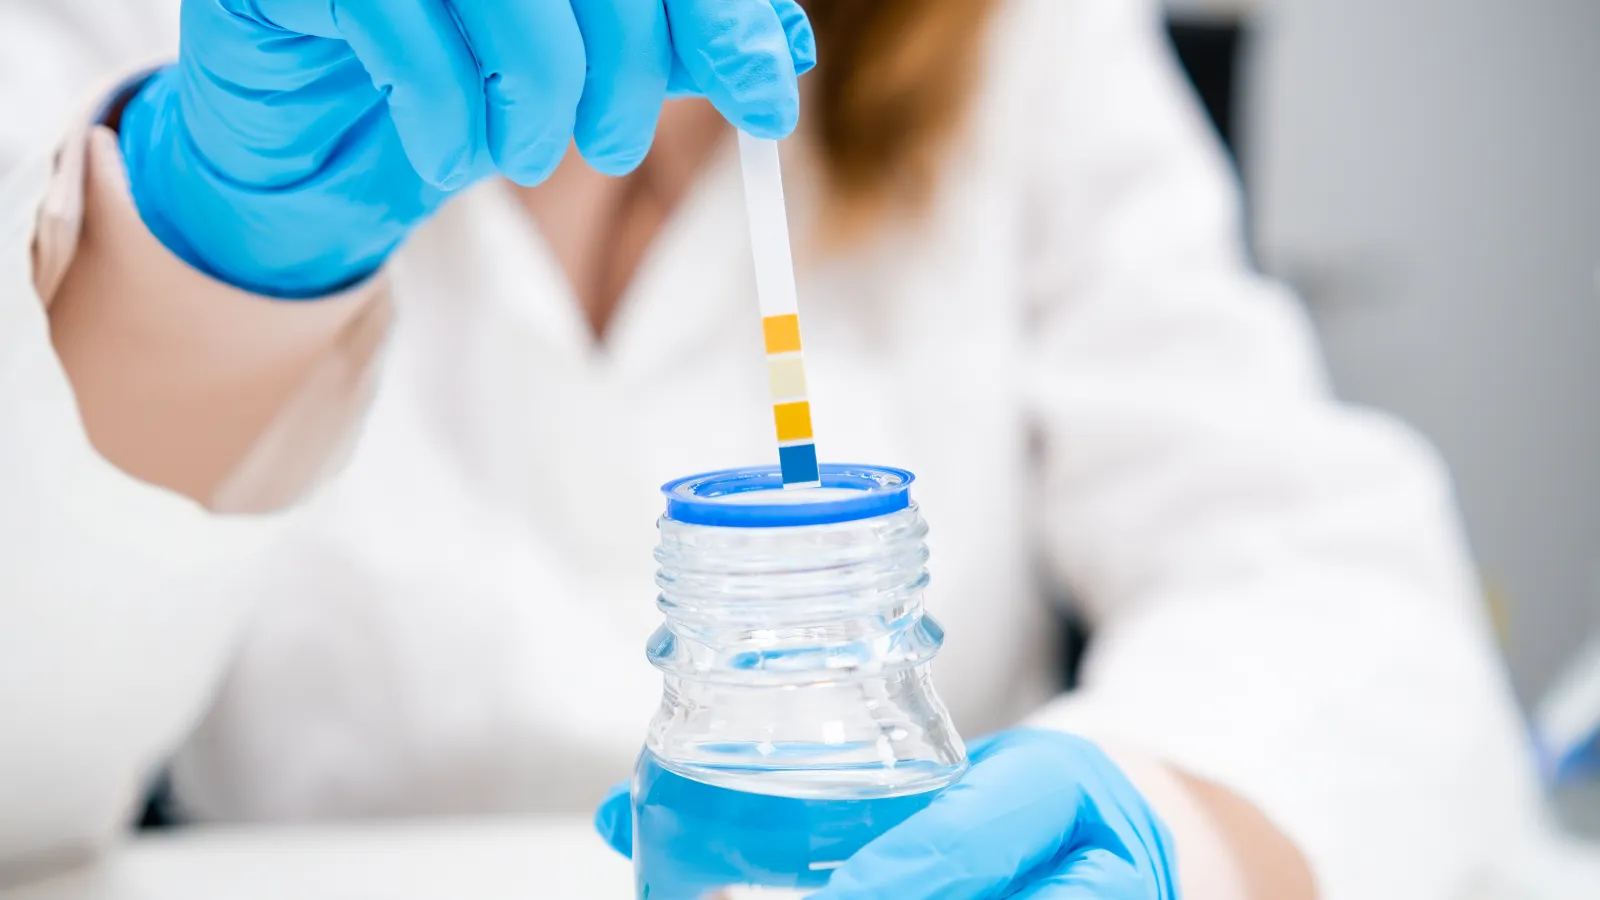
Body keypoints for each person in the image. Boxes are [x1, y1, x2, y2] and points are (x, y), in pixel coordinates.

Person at [0, 0, 1540, 896]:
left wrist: (1167, 821)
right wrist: (198, 264)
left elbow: (1337, 586)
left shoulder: (1017, 36)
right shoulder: (225, 32)